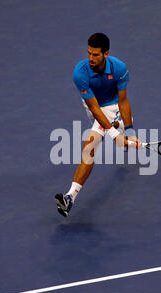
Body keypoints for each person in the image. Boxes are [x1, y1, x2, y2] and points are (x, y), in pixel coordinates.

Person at [55, 33, 141, 217]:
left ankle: (69, 197)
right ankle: (122, 138)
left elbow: (123, 100)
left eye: (95, 55)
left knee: (89, 148)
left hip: (112, 106)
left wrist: (130, 130)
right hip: (92, 106)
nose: (91, 58)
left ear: (106, 54)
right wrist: (114, 134)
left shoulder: (119, 69)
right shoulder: (80, 73)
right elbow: (94, 109)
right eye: (89, 53)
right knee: (108, 135)